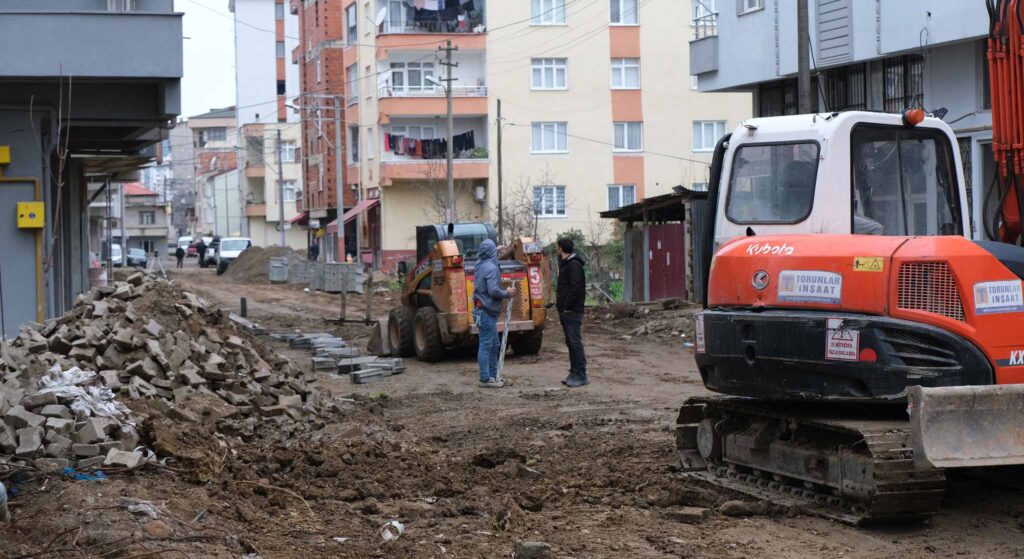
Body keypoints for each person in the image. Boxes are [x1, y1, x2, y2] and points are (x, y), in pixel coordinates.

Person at [473, 239, 516, 388]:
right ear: (490, 253)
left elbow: (484, 256)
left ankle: (493, 374)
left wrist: (495, 249)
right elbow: (493, 290)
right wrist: (508, 293)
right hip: (486, 312)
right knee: (486, 344)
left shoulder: (480, 264)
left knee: (494, 344)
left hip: (482, 310)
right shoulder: (491, 269)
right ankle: (485, 378)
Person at [556, 237, 588, 387]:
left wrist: (567, 306)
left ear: (561, 248)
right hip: (566, 310)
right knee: (570, 341)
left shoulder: (573, 265)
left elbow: (575, 288)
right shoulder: (566, 264)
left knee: (575, 342)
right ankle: (574, 371)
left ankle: (581, 374)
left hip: (572, 310)